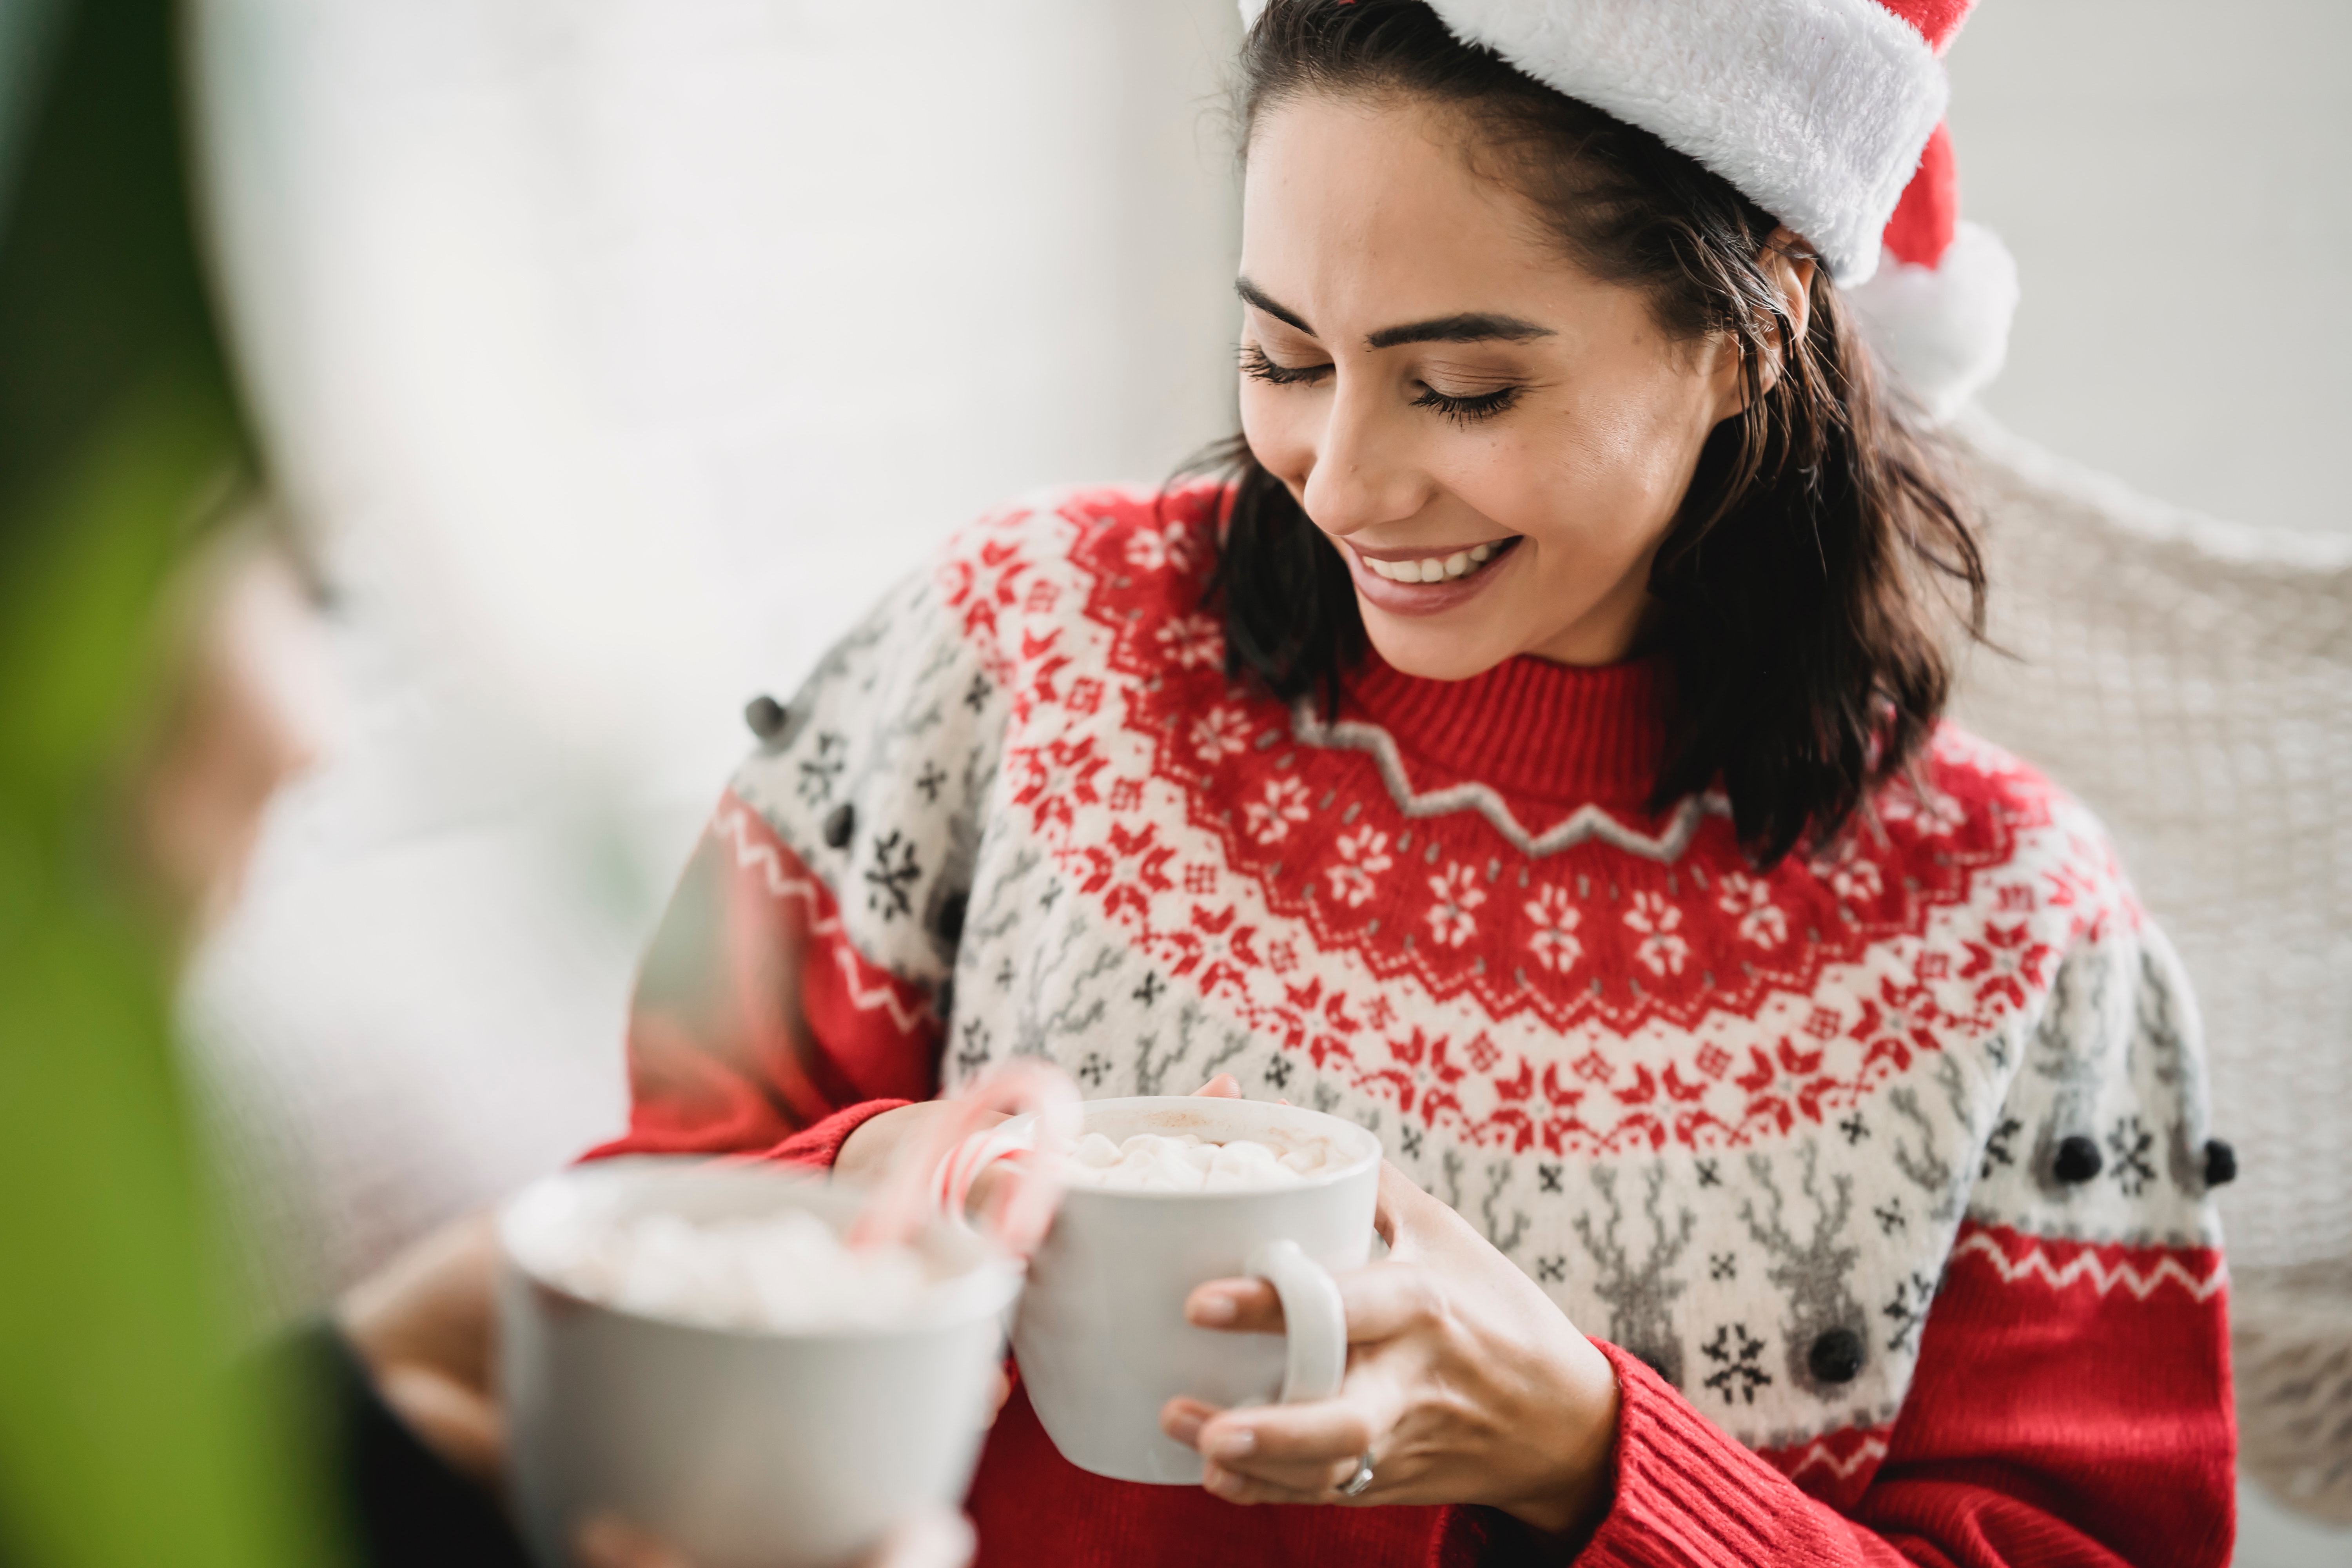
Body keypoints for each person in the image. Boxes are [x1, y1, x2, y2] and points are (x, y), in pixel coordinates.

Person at [569, 1, 2241, 1562]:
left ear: (1756, 319)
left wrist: (1593, 1451)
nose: (1345, 482)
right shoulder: (1016, 655)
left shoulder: (2014, 939)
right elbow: (623, 1243)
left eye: (1463, 387)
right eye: (1287, 360)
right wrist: (867, 1189)